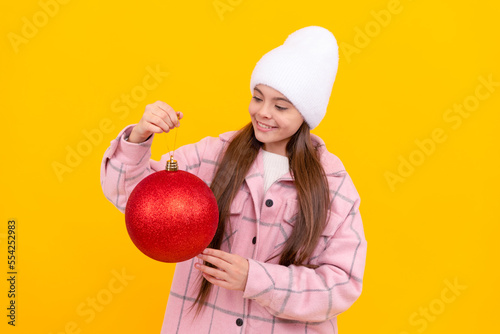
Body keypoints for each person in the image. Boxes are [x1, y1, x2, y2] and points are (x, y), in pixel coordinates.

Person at [100, 26, 367, 333]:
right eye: (257, 98)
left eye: (281, 106)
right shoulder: (213, 156)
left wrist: (254, 279)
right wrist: (139, 136)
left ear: (306, 114)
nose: (263, 113)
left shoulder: (333, 183)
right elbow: (131, 197)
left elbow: (342, 284)